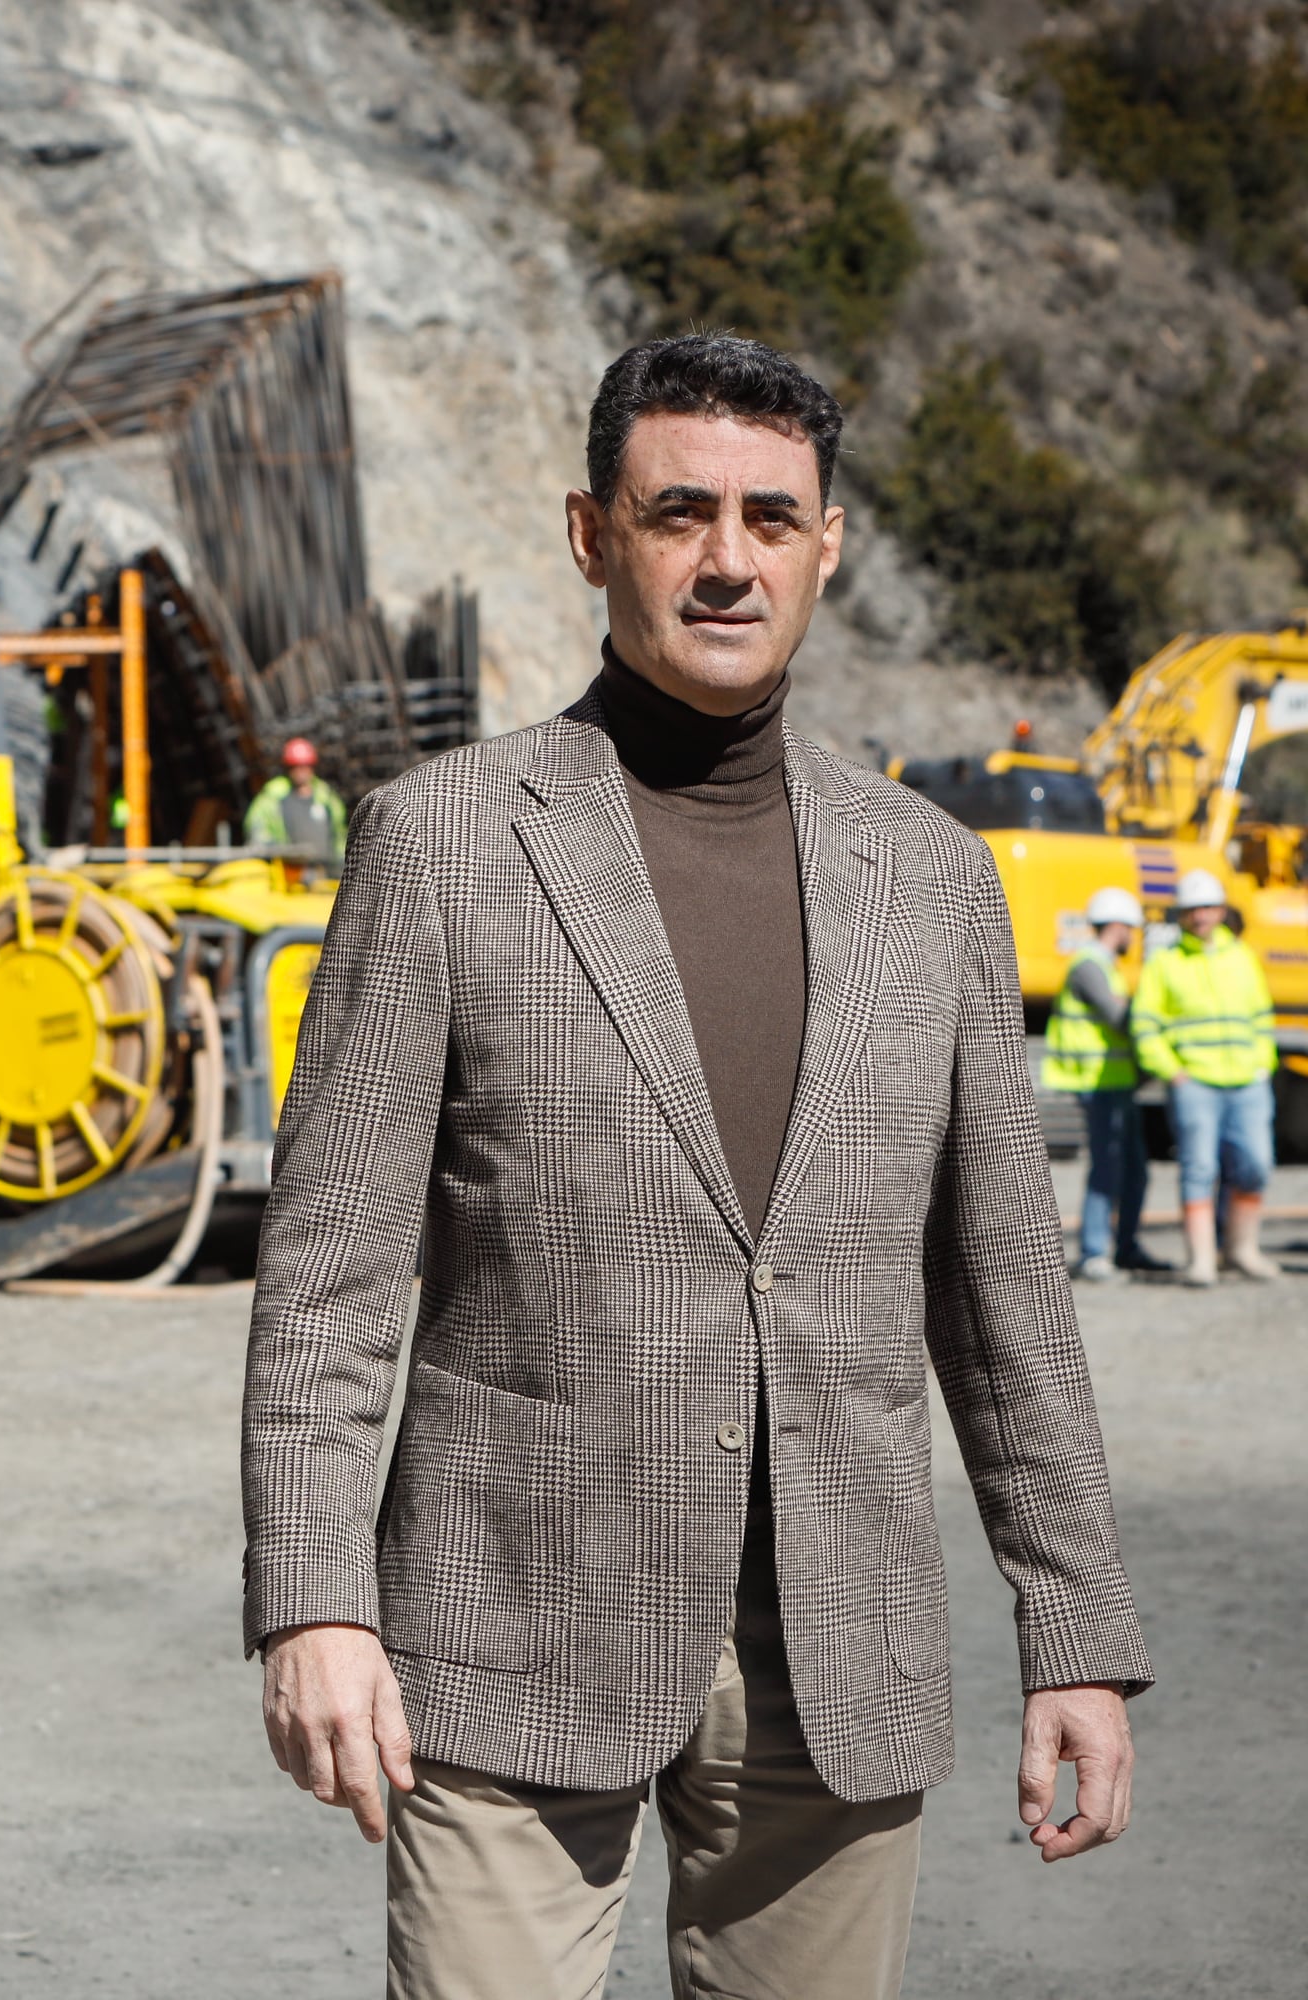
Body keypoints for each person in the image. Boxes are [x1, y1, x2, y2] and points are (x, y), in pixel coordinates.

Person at [244, 332, 1148, 2000]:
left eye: (770, 518)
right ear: (594, 537)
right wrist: (314, 1604)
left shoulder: (934, 880)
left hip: (840, 1649)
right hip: (509, 1627)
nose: (729, 559)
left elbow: (1004, 1288)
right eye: (680, 514)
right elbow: (328, 1277)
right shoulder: (441, 842)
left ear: (828, 545)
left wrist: (1073, 1629)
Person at [1131, 868, 1281, 1286]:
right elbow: (1146, 1025)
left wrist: (1260, 1064)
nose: (1200, 917)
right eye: (1192, 910)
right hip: (1195, 1083)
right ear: (1182, 916)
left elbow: (1260, 1017)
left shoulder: (1242, 957)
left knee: (1256, 1165)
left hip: (1247, 1083)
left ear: (1220, 911)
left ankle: (1241, 1250)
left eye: (1207, 908)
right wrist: (1172, 1073)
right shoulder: (1165, 964)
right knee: (1199, 1167)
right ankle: (1201, 1260)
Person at [1042, 886, 1164, 1283]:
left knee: (1134, 1171)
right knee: (1107, 1169)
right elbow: (1118, 1016)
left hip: (1118, 1083)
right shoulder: (1089, 965)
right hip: (1097, 1084)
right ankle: (1095, 1253)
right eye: (1131, 927)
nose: (1133, 935)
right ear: (1117, 925)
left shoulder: (1104, 964)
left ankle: (1126, 1247)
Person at [245, 736, 346, 854]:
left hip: (325, 869)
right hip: (287, 869)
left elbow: (339, 835)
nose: (300, 771)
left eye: (304, 766)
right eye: (295, 767)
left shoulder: (326, 798)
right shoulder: (273, 797)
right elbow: (257, 829)